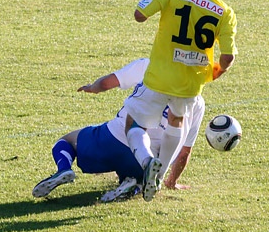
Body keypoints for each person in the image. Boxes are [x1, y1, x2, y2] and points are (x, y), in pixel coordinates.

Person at [124, 0, 240, 203]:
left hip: (158, 77)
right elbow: (228, 58)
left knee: (133, 123)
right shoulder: (225, 13)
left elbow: (139, 14)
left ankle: (147, 163)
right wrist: (212, 74)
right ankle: (159, 177)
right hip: (190, 85)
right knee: (176, 122)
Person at [32, 58, 205, 202]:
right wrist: (172, 181)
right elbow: (184, 151)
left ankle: (64, 169)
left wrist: (93, 87)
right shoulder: (197, 102)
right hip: (145, 159)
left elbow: (108, 83)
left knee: (67, 140)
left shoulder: (149, 65)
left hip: (114, 137)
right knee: (143, 171)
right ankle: (134, 185)